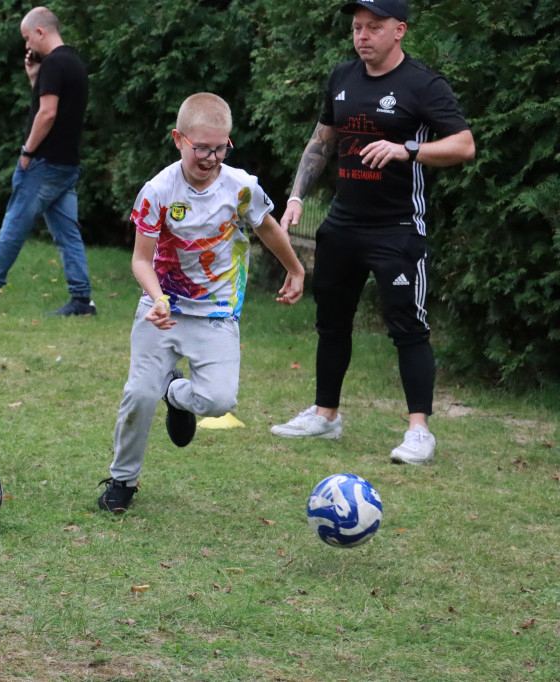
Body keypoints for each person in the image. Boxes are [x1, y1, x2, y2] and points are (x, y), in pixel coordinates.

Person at [270, 0, 475, 465]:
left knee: (408, 327)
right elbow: (322, 141)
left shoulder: (423, 84)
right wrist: (298, 195)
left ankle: (418, 431)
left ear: (398, 30)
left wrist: (409, 148)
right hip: (342, 223)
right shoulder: (342, 77)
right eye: (358, 27)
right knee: (331, 322)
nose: (362, 36)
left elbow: (464, 145)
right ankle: (326, 415)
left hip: (398, 227)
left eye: (374, 27)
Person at [96, 93, 305, 513]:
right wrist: (156, 299)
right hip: (163, 311)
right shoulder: (157, 191)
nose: (211, 157)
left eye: (220, 147)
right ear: (179, 139)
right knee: (138, 394)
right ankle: (123, 480)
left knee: (219, 402)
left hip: (216, 314)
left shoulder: (241, 188)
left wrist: (296, 270)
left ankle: (174, 394)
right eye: (202, 147)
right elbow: (140, 259)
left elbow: (267, 228)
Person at [0, 6, 93, 316]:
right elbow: (50, 105)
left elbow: (47, 114)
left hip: (43, 164)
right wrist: (34, 77)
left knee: (15, 223)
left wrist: (27, 152)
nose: (27, 46)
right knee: (67, 234)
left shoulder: (54, 65)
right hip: (67, 164)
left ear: (40, 32)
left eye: (27, 38)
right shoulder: (73, 63)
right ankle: (82, 300)